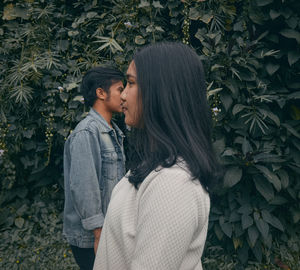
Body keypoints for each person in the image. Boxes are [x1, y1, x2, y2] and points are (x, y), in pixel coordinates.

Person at [93, 42, 221, 270]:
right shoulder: (157, 165)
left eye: (131, 83)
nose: (122, 95)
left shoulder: (173, 184)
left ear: (162, 91)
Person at [63, 66, 126, 270]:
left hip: (109, 232)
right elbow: (84, 187)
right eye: (119, 89)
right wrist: (99, 234)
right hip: (93, 238)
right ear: (101, 93)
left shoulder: (112, 132)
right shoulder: (86, 133)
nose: (124, 95)